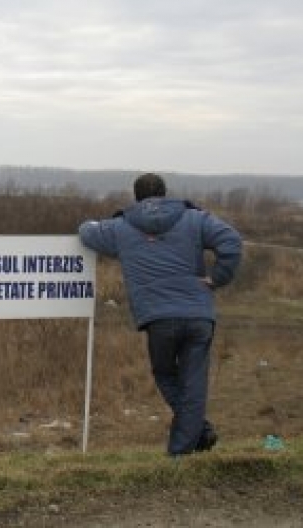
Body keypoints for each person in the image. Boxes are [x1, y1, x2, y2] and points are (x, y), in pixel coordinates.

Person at [78, 173, 242, 456]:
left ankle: (180, 452)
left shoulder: (119, 228)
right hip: (198, 315)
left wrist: (90, 222)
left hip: (158, 318)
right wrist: (218, 278)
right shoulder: (196, 219)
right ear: (165, 194)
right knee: (194, 384)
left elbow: (86, 232)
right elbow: (232, 241)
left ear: (136, 196)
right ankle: (197, 432)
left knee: (165, 375)